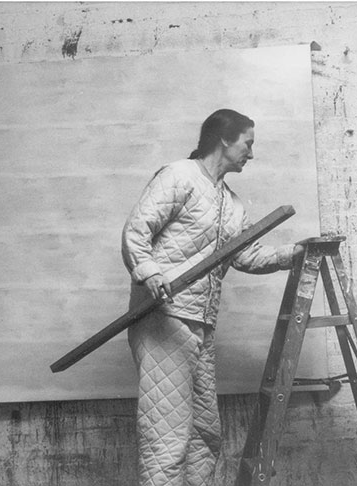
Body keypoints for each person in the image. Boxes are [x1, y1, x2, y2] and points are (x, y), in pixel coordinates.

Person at [121, 108, 304, 486]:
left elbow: (246, 255)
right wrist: (150, 272)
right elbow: (138, 230)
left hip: (201, 323)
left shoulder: (231, 202)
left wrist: (297, 252)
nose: (251, 153)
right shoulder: (179, 176)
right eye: (247, 143)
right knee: (166, 441)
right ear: (224, 138)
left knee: (205, 433)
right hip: (164, 320)